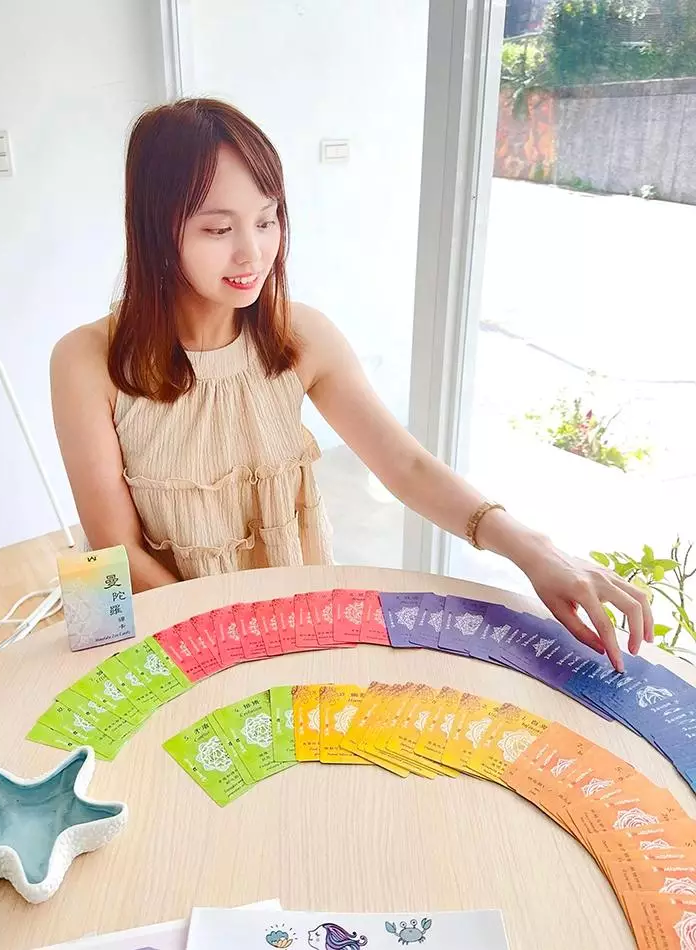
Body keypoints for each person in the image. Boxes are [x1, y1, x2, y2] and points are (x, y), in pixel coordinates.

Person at [50, 98, 651, 673]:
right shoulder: (86, 361)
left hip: (295, 632)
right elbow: (118, 551)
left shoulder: (299, 336)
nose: (252, 252)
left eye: (267, 220)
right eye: (218, 229)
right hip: (177, 644)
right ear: (156, 230)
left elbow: (406, 466)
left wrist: (534, 550)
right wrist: (232, 649)